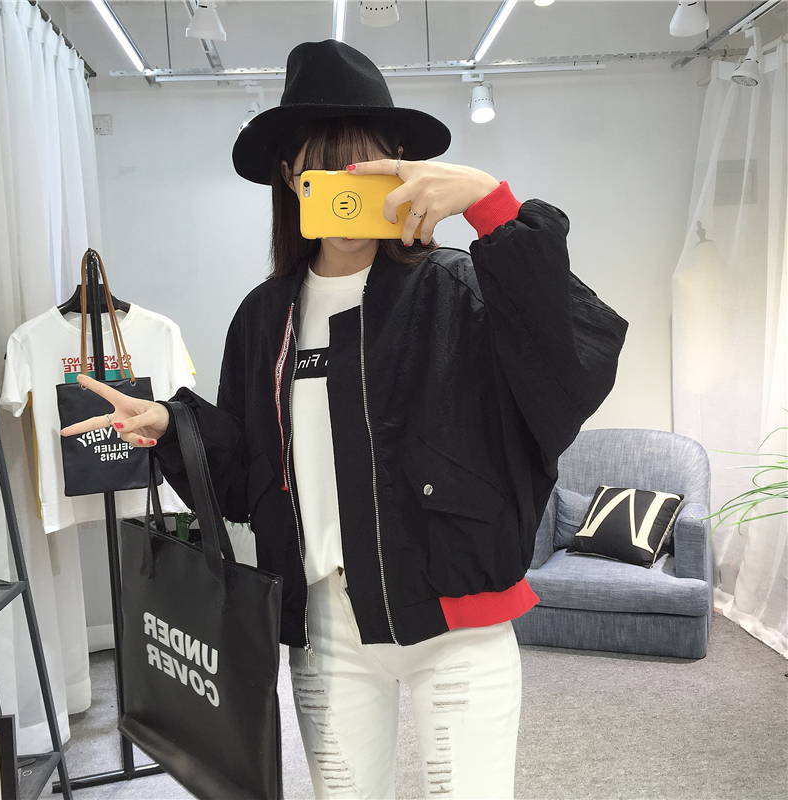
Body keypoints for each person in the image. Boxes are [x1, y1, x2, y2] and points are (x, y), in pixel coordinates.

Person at [62, 39, 627, 800]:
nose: (347, 189)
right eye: (322, 171)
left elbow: (567, 367)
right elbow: (251, 477)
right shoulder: (265, 318)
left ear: (402, 169)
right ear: (290, 180)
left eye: (367, 167)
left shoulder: (456, 287)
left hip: (456, 622)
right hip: (327, 628)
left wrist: (489, 201)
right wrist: (173, 425)